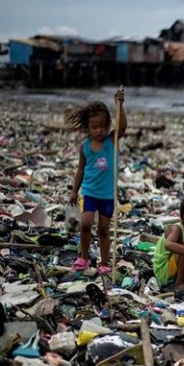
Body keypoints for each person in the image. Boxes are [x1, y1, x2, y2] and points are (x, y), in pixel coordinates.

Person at [66, 87, 127, 274]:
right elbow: (80, 169)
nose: (99, 130)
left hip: (107, 195)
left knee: (103, 230)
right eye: (94, 127)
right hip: (90, 192)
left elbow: (123, 126)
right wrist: (75, 191)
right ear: (88, 128)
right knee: (85, 224)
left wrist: (120, 105)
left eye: (102, 126)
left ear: (108, 125)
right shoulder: (85, 146)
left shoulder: (111, 141)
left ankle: (104, 263)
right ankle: (84, 257)